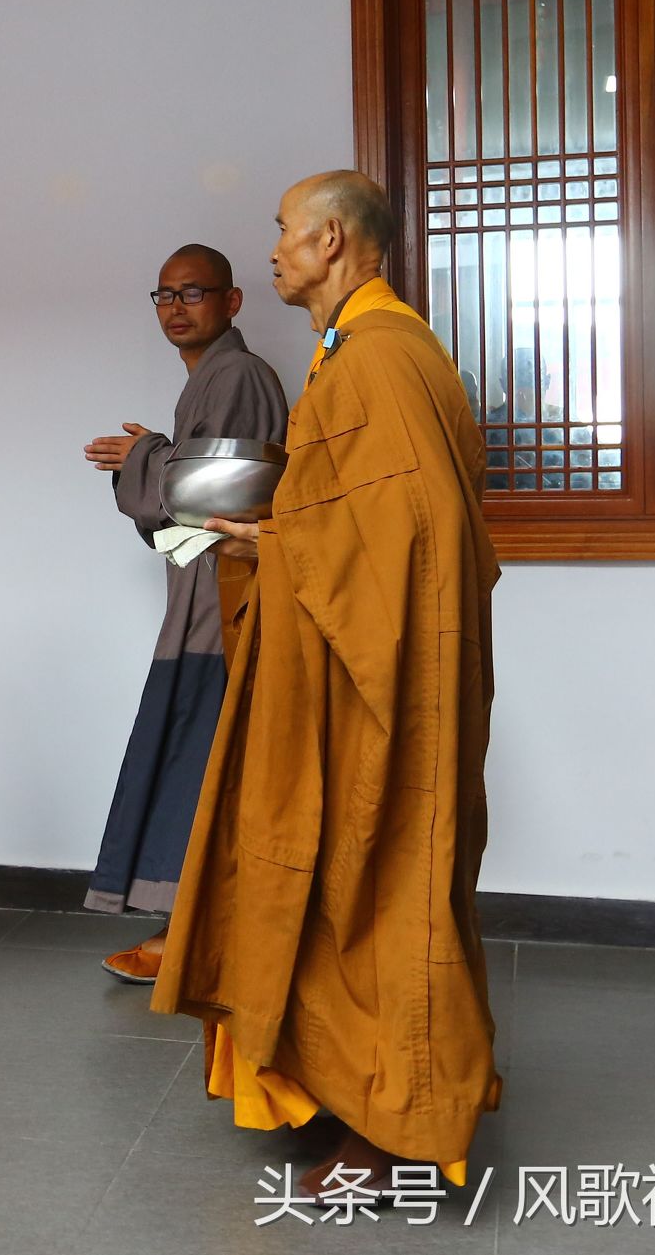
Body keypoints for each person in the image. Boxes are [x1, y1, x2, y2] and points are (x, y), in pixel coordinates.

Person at [152, 170, 500, 1198]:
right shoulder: (367, 351)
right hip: (354, 656)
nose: (272, 251)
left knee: (375, 878)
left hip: (377, 678)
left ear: (335, 241)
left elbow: (413, 538)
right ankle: (341, 1097)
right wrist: (275, 525)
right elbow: (371, 516)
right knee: (335, 875)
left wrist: (274, 535)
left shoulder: (380, 361)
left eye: (282, 233)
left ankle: (394, 1132)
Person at [80, 245, 286, 984]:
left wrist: (146, 455)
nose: (176, 306)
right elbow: (189, 491)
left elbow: (221, 494)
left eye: (193, 292)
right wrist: (154, 458)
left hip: (226, 597)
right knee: (195, 751)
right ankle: (192, 926)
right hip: (200, 590)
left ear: (231, 302)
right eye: (164, 294)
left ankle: (199, 934)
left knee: (205, 753)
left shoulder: (239, 374)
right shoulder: (211, 378)